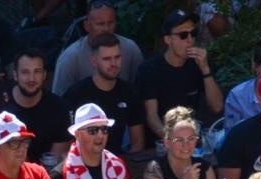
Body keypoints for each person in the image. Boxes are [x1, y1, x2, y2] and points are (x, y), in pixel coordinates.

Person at [136, 9, 220, 140]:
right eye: (183, 35)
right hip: (160, 142)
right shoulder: (149, 69)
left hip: (190, 137)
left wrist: (205, 69)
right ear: (168, 39)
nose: (190, 39)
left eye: (193, 33)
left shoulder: (198, 64)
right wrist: (173, 142)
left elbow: (217, 107)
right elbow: (151, 116)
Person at [62, 34, 144, 156]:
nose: (113, 63)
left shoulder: (129, 91)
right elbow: (65, 144)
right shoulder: (76, 94)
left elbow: (138, 142)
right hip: (81, 164)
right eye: (107, 59)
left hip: (117, 163)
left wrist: (124, 165)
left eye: (117, 57)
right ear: (94, 61)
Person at [50, 0, 143, 97]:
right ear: (87, 26)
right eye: (100, 24)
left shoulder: (131, 49)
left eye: (110, 23)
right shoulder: (70, 58)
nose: (106, 29)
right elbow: (59, 100)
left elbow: (141, 90)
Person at [140, 106, 217, 179]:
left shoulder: (204, 167)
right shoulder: (156, 168)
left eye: (191, 138)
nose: (186, 145)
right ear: (167, 143)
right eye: (179, 140)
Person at [0, 50, 70, 161]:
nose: (31, 78)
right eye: (25, 72)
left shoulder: (59, 108)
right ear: (15, 75)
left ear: (44, 75)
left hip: (44, 175)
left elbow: (56, 161)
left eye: (37, 72)